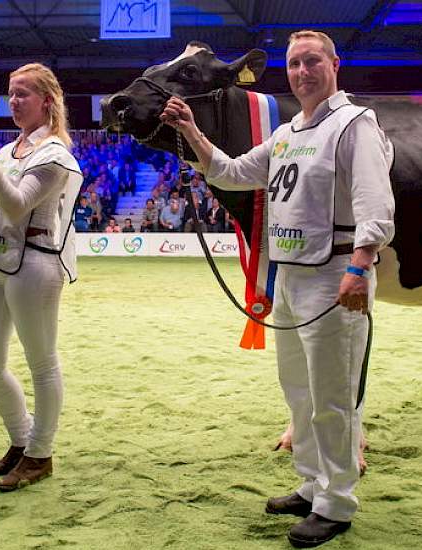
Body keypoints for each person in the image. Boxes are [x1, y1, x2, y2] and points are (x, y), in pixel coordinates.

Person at [161, 30, 395, 548]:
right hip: (290, 276)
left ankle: (336, 503)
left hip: (335, 275)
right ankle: (312, 482)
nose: (302, 71)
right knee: (300, 391)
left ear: (335, 65)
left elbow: (375, 202)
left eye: (312, 61)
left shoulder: (355, 124)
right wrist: (193, 132)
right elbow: (233, 172)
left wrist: (361, 265)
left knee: (333, 397)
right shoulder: (289, 131)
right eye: (294, 64)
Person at [0, 63, 83, 492]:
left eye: (23, 93)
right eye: (11, 93)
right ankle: (21, 440)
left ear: (47, 101)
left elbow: (16, 205)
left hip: (36, 264)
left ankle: (40, 454)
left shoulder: (55, 155)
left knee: (42, 364)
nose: (13, 101)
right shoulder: (10, 153)